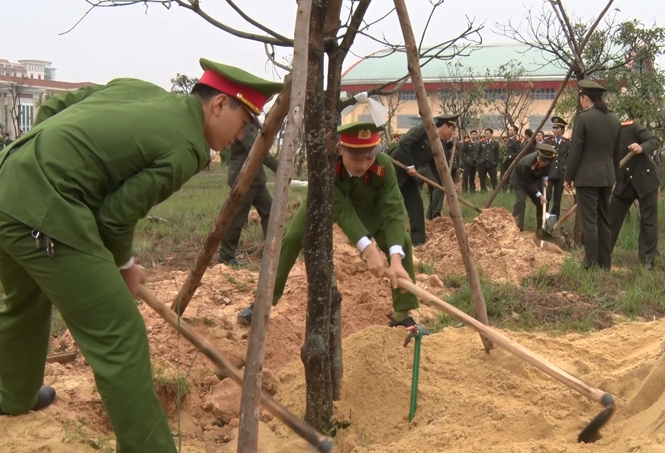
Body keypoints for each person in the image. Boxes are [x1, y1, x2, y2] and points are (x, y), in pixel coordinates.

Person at [0, 57, 284, 453]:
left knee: (24, 299)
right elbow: (116, 216)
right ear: (219, 104)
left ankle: (13, 395)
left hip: (8, 179)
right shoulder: (186, 146)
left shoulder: (141, 91)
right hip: (45, 209)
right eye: (244, 122)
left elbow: (61, 105)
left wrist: (44, 156)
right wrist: (123, 265)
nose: (241, 135)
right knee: (119, 333)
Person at [237, 121, 428, 333]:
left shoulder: (384, 166)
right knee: (291, 239)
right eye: (356, 158)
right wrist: (369, 249)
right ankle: (263, 302)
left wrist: (394, 257)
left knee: (404, 245)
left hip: (370, 208)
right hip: (323, 203)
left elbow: (394, 211)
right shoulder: (327, 167)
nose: (363, 164)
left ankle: (402, 315)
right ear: (341, 149)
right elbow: (343, 211)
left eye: (369, 157)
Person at [564, 79, 621, 270]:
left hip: (587, 177)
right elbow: (616, 152)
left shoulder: (583, 118)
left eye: (581, 98)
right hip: (607, 176)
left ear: (585, 98)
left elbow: (575, 151)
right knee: (603, 219)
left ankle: (590, 264)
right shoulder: (614, 119)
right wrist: (615, 177)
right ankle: (605, 263)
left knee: (589, 221)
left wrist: (568, 177)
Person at [389, 114, 458, 245]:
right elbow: (404, 143)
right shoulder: (424, 129)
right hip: (395, 171)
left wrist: (441, 184)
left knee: (416, 206)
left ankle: (418, 243)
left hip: (409, 177)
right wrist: (410, 165)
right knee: (389, 204)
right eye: (451, 129)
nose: (452, 134)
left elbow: (432, 163)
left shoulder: (437, 142)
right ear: (444, 126)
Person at [218, 123, 279, 266]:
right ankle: (226, 256)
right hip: (244, 179)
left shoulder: (249, 122)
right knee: (237, 218)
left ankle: (273, 250)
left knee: (270, 212)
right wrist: (280, 166)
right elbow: (258, 150)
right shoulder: (243, 125)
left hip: (256, 179)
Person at [609, 120, 662, 269]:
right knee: (611, 218)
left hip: (645, 180)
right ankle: (603, 254)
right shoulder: (603, 134)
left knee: (648, 221)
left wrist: (641, 147)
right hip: (624, 183)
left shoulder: (631, 127)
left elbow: (654, 140)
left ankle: (646, 261)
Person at [510, 143, 557, 232]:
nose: (543, 163)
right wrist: (540, 195)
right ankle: (517, 226)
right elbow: (528, 183)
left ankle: (541, 228)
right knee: (521, 200)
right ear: (538, 155)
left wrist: (545, 179)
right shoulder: (527, 164)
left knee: (542, 203)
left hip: (534, 180)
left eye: (545, 162)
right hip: (520, 181)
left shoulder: (549, 161)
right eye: (541, 161)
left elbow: (547, 168)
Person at [544, 116, 570, 219]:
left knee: (557, 199)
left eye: (557, 128)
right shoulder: (548, 142)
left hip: (561, 175)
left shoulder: (567, 143)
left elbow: (569, 159)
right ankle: (544, 218)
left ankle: (554, 219)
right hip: (549, 174)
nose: (554, 130)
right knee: (547, 196)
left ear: (562, 130)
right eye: (553, 128)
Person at [502, 125, 521, 191]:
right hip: (506, 161)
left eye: (511, 130)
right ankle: (503, 190)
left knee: (511, 177)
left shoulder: (516, 141)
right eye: (509, 130)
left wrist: (510, 156)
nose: (509, 131)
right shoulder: (509, 140)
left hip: (511, 162)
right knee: (505, 176)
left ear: (515, 132)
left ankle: (511, 190)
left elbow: (518, 153)